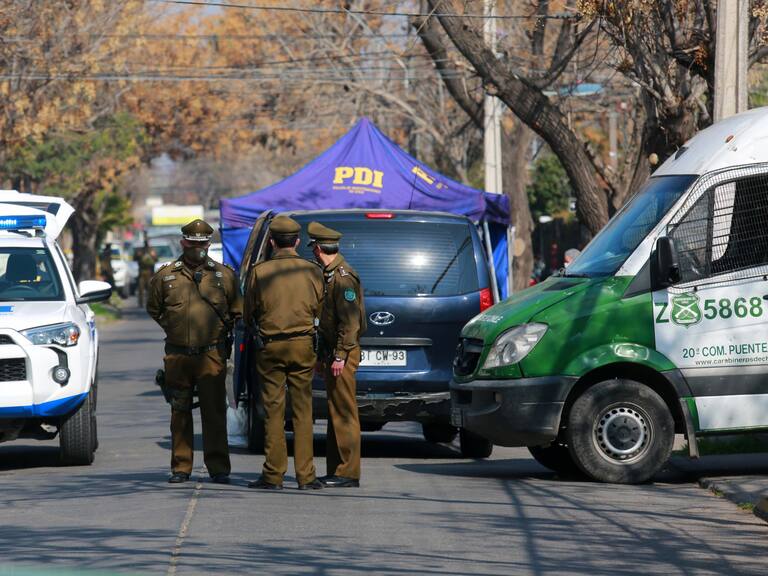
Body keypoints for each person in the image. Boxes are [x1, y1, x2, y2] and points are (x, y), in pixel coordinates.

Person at [146, 219, 242, 484]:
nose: (197, 248)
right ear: (183, 242)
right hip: (177, 354)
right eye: (192, 243)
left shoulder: (224, 275)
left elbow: (237, 309)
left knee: (214, 412)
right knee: (180, 412)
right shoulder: (166, 275)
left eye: (202, 243)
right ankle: (181, 466)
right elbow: (154, 308)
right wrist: (173, 327)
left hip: (211, 354)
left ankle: (219, 467)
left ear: (209, 244)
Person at [244, 216, 324, 491]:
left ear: (272, 242)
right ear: (298, 241)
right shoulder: (312, 271)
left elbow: (248, 311)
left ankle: (273, 474)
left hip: (271, 346)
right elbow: (319, 308)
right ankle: (306, 475)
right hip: (302, 345)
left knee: (274, 410)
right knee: (303, 411)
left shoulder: (260, 271)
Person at [308, 222, 366, 488]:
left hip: (344, 352)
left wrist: (341, 355)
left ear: (318, 248)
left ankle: (348, 473)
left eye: (313, 248)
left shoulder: (342, 277)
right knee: (335, 412)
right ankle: (337, 469)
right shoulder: (330, 275)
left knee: (344, 412)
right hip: (333, 351)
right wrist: (324, 356)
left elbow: (350, 322)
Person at [135, 240, 157, 307]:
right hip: (142, 272)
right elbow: (135, 258)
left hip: (149, 272)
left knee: (150, 289)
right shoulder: (140, 251)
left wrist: (153, 256)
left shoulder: (152, 250)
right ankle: (141, 303)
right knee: (141, 289)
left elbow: (156, 260)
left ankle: (149, 303)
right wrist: (138, 254)